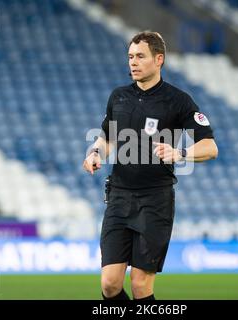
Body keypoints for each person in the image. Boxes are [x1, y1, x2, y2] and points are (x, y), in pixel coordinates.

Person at [82, 31, 218, 300]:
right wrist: (96, 153)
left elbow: (210, 147)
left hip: (155, 201)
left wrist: (179, 153)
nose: (133, 62)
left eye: (140, 56)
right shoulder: (118, 97)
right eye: (130, 57)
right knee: (109, 284)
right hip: (119, 196)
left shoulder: (178, 100)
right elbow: (107, 137)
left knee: (141, 286)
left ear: (159, 59)